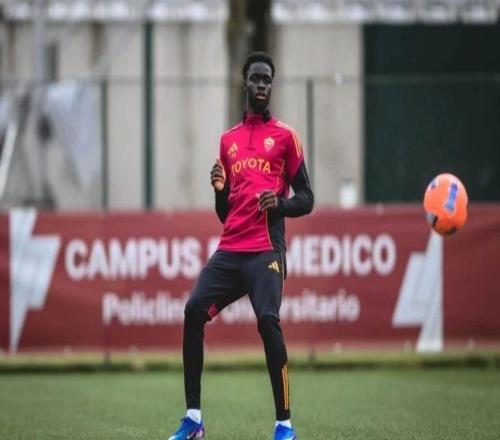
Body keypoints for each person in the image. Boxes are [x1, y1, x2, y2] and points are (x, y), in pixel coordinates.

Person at [168, 51, 314, 440]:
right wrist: (220, 190)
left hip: (266, 250)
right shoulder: (228, 141)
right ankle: (194, 421)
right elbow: (224, 213)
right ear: (244, 83)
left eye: (267, 80)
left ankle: (284, 425)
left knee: (267, 319)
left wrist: (279, 204)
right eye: (256, 78)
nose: (262, 85)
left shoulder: (285, 137)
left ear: (271, 86)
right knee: (193, 310)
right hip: (231, 248)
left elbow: (307, 198)